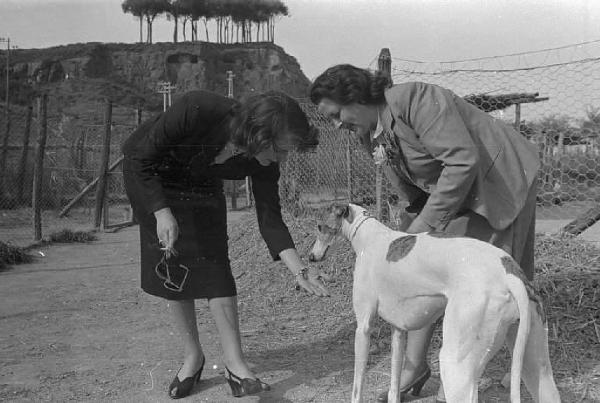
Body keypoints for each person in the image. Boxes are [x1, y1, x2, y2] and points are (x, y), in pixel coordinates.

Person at [309, 64, 540, 403]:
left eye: (336, 114)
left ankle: (504, 373)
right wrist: (409, 238)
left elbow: (461, 162)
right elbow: (412, 196)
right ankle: (416, 367)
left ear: (355, 96)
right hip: (455, 189)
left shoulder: (417, 99)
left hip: (499, 177)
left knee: (493, 273)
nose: (337, 124)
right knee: (426, 269)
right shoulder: (367, 133)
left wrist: (420, 232)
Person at [122, 89, 329, 399]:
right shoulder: (198, 109)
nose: (282, 159)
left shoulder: (264, 162)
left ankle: (236, 366)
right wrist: (162, 212)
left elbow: (270, 218)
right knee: (172, 263)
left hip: (200, 182)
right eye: (281, 149)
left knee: (215, 261)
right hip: (153, 176)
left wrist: (299, 270)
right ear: (260, 134)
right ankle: (193, 357)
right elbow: (141, 159)